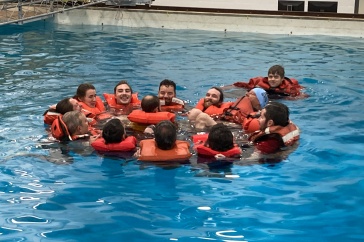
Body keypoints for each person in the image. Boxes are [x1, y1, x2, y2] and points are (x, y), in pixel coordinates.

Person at [190, 88, 268, 132]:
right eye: (248, 92)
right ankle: (191, 133)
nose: (247, 94)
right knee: (194, 112)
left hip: (231, 130)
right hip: (222, 123)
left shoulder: (259, 115)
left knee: (203, 117)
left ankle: (198, 140)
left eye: (252, 94)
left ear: (259, 101)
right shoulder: (235, 105)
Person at [231, 65, 305, 98]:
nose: (272, 79)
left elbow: (300, 96)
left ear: (282, 79)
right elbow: (242, 85)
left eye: (276, 77)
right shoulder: (259, 82)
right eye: (270, 77)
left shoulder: (289, 88)